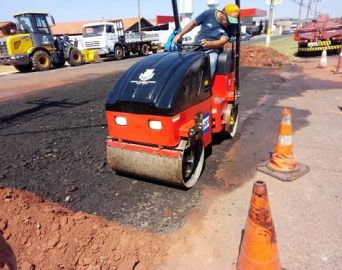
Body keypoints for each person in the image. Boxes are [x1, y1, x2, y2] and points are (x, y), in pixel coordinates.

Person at [174, 3, 240, 78]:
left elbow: (222, 42)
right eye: (229, 20)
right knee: (182, 61)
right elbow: (192, 24)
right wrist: (180, 35)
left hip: (213, 50)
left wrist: (209, 44)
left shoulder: (232, 26)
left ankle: (205, 87)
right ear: (223, 13)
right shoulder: (209, 14)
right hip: (197, 46)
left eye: (232, 21)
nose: (229, 23)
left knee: (211, 62)